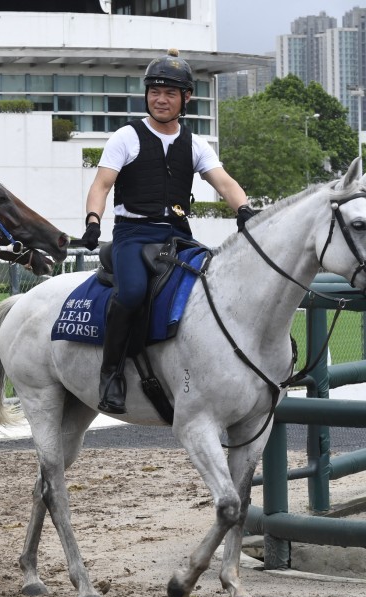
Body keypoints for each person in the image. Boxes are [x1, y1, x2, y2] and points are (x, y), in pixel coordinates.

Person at [81, 48, 257, 415]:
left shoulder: (195, 144)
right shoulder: (125, 138)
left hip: (177, 233)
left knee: (211, 286)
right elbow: (101, 185)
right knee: (131, 293)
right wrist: (93, 222)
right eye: (155, 92)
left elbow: (223, 182)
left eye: (170, 93)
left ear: (185, 98)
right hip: (133, 234)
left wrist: (244, 210)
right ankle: (111, 373)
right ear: (147, 95)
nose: (160, 99)